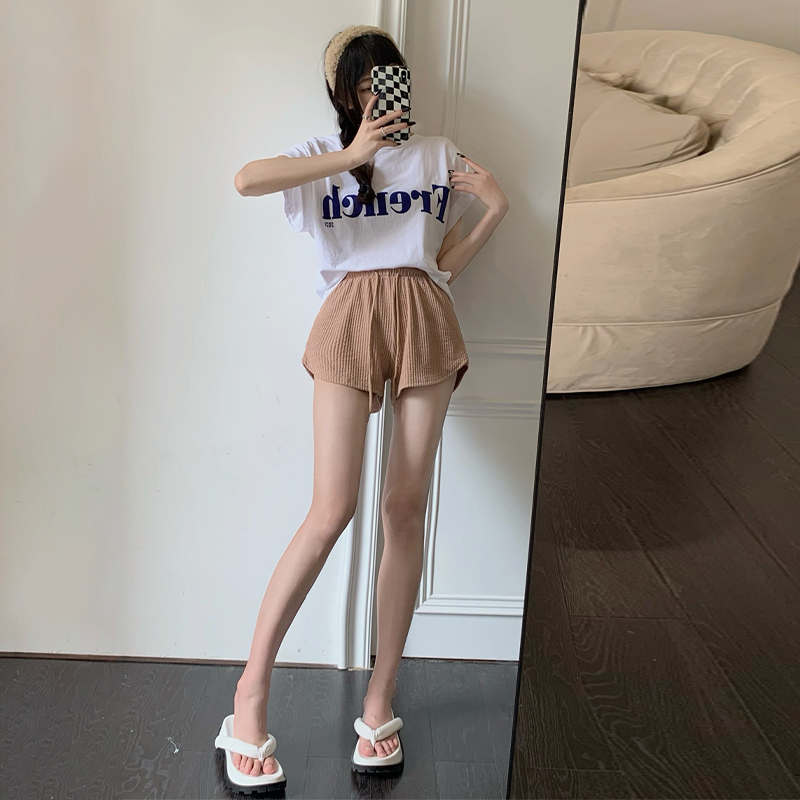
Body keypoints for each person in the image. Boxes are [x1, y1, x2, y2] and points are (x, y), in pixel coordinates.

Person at [216, 23, 509, 792]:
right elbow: (245, 180)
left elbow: (438, 263)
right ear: (342, 92)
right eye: (365, 82)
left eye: (391, 77)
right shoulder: (321, 154)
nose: (381, 93)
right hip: (349, 317)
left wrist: (494, 210)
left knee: (404, 509)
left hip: (424, 315)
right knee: (331, 509)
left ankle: (381, 699)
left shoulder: (439, 154)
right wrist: (351, 157)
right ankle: (249, 696)